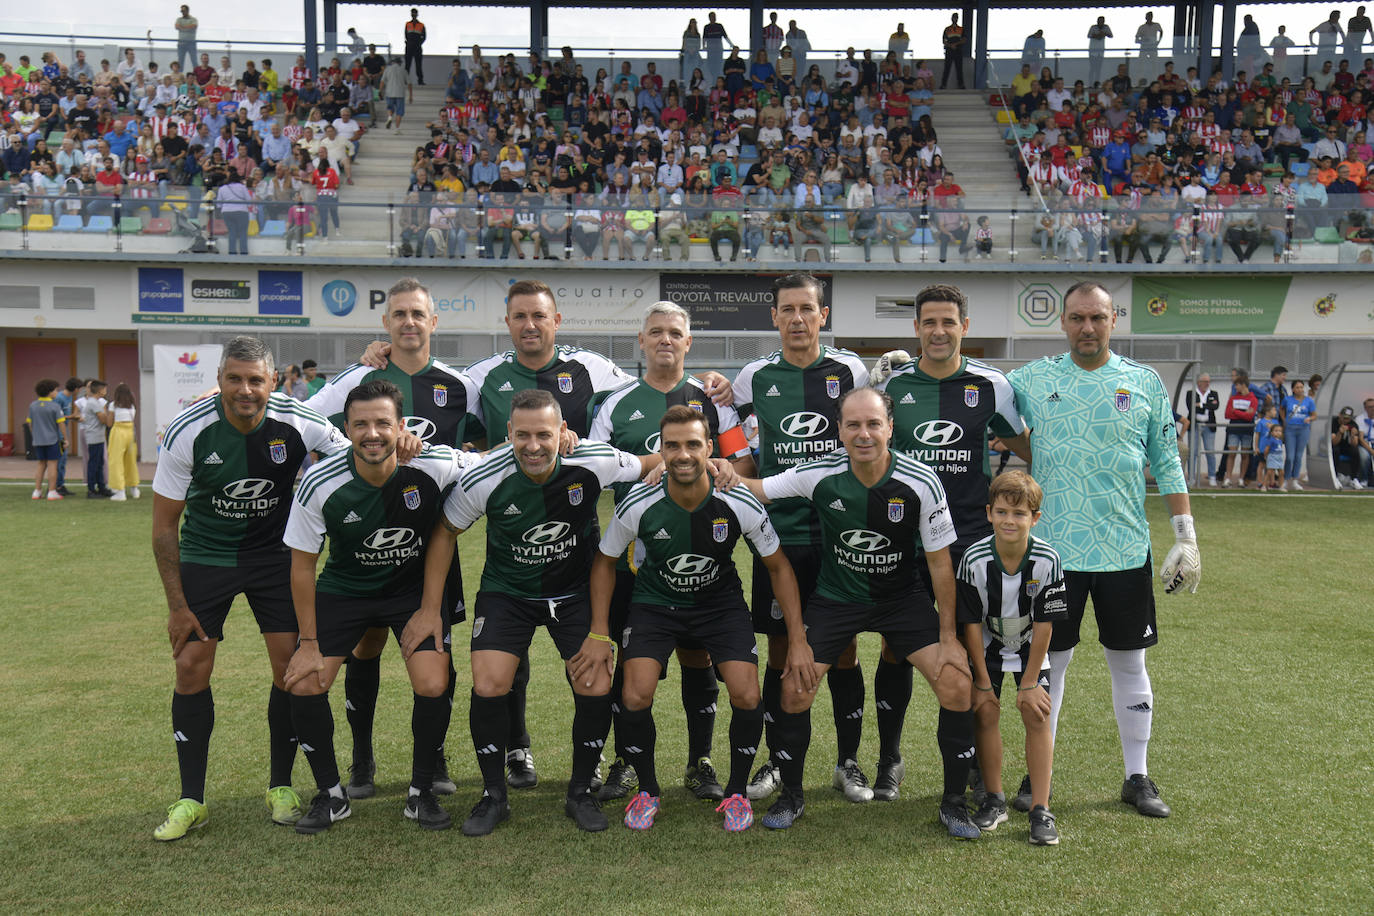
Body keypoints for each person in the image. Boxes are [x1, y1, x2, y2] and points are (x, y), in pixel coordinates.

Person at [419, 389, 657, 836]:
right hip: (507, 592)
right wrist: (431, 609)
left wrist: (681, 462)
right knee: (490, 682)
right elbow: (445, 532)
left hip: (575, 593)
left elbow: (648, 462)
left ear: (563, 433)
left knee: (595, 681)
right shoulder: (484, 478)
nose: (533, 445)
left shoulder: (593, 461)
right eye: (523, 435)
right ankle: (494, 796)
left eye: (544, 434)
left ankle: (580, 791)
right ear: (508, 433)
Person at [738, 387, 975, 836]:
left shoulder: (921, 480)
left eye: (872, 424)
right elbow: (759, 489)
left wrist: (948, 637)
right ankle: (792, 796)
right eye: (853, 425)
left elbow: (942, 563)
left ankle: (954, 803)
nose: (863, 434)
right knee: (794, 689)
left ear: (889, 427)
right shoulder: (820, 474)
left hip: (902, 601)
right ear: (840, 431)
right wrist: (715, 470)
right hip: (836, 599)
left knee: (956, 686)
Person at [1008, 281, 1199, 820]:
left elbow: (1166, 460)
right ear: (1063, 323)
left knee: (1129, 663)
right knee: (1049, 664)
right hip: (1053, 556)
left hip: (1123, 549)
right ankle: (1036, 773)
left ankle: (1137, 776)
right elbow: (979, 401)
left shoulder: (1142, 382)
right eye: (1076, 318)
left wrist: (1185, 535)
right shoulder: (1032, 378)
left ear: (1114, 318)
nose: (1086, 327)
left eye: (1096, 317)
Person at [148, 337, 349, 840]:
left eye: (255, 379)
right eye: (234, 379)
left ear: (272, 381)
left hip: (274, 560)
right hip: (205, 558)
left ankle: (280, 786)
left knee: (290, 670)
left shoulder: (298, 421)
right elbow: (163, 527)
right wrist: (176, 606)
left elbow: (356, 462)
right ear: (218, 380)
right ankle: (191, 798)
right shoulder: (187, 431)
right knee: (191, 666)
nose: (245, 389)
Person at [304, 278, 481, 800]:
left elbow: (486, 439)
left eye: (417, 314)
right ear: (385, 324)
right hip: (363, 538)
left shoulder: (460, 383)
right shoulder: (358, 377)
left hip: (432, 543)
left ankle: (436, 757)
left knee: (435, 651)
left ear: (433, 322)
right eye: (398, 314)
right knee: (366, 646)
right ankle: (362, 759)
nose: (408, 323)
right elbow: (307, 421)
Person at [582, 405, 794, 831]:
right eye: (672, 445)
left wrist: (799, 638)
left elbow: (779, 567)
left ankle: (735, 793)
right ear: (660, 450)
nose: (682, 454)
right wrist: (599, 632)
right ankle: (648, 790)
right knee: (635, 694)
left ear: (709, 448)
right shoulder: (640, 502)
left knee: (748, 695)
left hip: (720, 606)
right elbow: (604, 562)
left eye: (693, 444)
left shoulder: (736, 498)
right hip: (656, 604)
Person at [281, 379, 477, 833]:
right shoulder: (319, 481)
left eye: (383, 423)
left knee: (433, 682)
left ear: (401, 426)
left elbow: (500, 462)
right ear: (345, 429)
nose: (373, 433)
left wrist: (565, 440)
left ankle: (420, 791)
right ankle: (331, 795)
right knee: (306, 681)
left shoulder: (437, 463)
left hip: (410, 592)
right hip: (346, 588)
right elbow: (302, 567)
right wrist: (308, 641)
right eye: (361, 424)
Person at [587, 302, 755, 803]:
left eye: (674, 333)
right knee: (632, 667)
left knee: (697, 654)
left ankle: (700, 760)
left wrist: (719, 466)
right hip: (633, 559)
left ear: (688, 342)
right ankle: (625, 760)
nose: (665, 339)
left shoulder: (713, 401)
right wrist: (648, 465)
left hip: (699, 555)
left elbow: (743, 468)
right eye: (655, 332)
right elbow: (594, 468)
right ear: (641, 342)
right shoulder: (617, 403)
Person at [873, 285, 1031, 803]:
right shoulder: (894, 385)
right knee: (896, 649)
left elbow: (1029, 444)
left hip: (971, 543)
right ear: (916, 327)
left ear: (965, 325)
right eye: (928, 322)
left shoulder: (990, 385)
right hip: (905, 541)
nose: (938, 331)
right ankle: (889, 758)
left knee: (974, 650)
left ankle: (967, 763)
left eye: (948, 321)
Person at [731, 274, 873, 806]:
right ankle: (776, 759)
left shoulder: (849, 370)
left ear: (823, 315)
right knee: (781, 652)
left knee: (842, 651)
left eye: (806, 309)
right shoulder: (752, 377)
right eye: (787, 309)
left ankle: (847, 762)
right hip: (779, 535)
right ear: (774, 317)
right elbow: (734, 432)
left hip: (841, 533)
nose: (796, 318)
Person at [959, 471, 1067, 845]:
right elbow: (971, 624)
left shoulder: (1048, 559)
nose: (1009, 520)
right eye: (1002, 512)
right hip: (986, 644)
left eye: (1020, 514)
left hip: (1028, 646)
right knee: (985, 710)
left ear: (1035, 518)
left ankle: (1041, 808)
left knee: (1035, 712)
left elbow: (1045, 625)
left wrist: (1029, 681)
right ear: (989, 513)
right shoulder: (973, 559)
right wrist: (983, 683)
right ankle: (995, 799)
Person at [25, 379, 66, 501]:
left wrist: (35, 435)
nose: (57, 392)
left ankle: (37, 491)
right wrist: (65, 438)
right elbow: (61, 424)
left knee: (41, 464)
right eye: (55, 390)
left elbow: (30, 423)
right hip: (52, 440)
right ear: (50, 392)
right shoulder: (55, 406)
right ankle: (52, 491)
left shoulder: (32, 405)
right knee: (53, 464)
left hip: (38, 441)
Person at [74, 379, 114, 498]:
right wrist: (110, 415)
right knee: (94, 463)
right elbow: (104, 420)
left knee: (99, 462)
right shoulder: (93, 403)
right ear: (100, 390)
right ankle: (91, 490)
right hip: (94, 437)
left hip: (98, 436)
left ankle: (101, 487)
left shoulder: (95, 402)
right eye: (104, 389)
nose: (105, 391)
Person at [106, 383, 141, 501]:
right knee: (131, 461)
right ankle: (134, 489)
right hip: (131, 432)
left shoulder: (113, 405)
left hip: (118, 432)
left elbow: (109, 423)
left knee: (116, 461)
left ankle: (119, 491)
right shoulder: (132, 406)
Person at [1185, 373, 1220, 485]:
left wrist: (1200, 405)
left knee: (1210, 451)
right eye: (1205, 381)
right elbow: (1191, 407)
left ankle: (1212, 476)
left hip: (1209, 426)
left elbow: (1215, 407)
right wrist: (1206, 405)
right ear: (1199, 382)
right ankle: (1191, 477)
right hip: (1195, 425)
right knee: (1193, 452)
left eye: (1208, 381)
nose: (1207, 383)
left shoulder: (1214, 393)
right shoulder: (1191, 393)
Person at [1281, 379, 1316, 491]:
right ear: (1293, 389)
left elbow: (1314, 415)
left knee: (1298, 456)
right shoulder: (1287, 399)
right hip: (1290, 429)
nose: (1300, 389)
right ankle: (1286, 479)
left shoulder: (1309, 401)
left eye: (1301, 387)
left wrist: (1309, 418)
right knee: (1290, 456)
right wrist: (1284, 420)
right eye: (1297, 387)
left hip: (1303, 429)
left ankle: (1295, 480)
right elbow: (1281, 409)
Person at [381, 56, 410, 130]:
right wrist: (411, 95)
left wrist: (380, 91)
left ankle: (390, 117)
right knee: (399, 112)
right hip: (400, 94)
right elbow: (409, 83)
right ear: (400, 62)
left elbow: (382, 81)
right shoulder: (403, 70)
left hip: (389, 93)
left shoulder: (387, 69)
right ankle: (397, 128)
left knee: (390, 107)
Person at [702, 13, 732, 82]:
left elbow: (725, 36)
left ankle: (717, 81)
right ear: (709, 18)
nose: (713, 18)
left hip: (718, 50)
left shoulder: (719, 26)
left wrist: (731, 45)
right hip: (711, 51)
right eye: (712, 17)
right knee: (711, 67)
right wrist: (704, 46)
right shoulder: (707, 27)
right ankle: (713, 80)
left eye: (714, 17)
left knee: (718, 67)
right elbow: (704, 38)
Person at [1258, 423, 1286, 491]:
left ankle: (1281, 486)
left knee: (1281, 472)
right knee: (1269, 472)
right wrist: (1265, 455)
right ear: (1271, 432)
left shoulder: (1280, 440)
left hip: (1279, 457)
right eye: (1276, 431)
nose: (1278, 432)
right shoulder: (1271, 440)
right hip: (1272, 456)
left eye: (1280, 431)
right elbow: (1267, 449)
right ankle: (1264, 486)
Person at [1087, 16, 1114, 87]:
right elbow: (1089, 35)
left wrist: (1104, 34)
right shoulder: (1093, 27)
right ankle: (1090, 84)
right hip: (1093, 51)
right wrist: (1097, 36)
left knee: (1098, 69)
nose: (1100, 22)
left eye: (1102, 21)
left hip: (1100, 52)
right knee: (1092, 68)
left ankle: (1096, 83)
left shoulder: (1106, 27)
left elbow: (1111, 35)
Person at [941, 14, 966, 90]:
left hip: (958, 50)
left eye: (956, 18)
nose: (955, 19)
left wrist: (955, 44)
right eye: (954, 17)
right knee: (947, 68)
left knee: (959, 68)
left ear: (958, 19)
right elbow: (944, 41)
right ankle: (943, 85)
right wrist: (950, 45)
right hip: (949, 51)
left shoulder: (961, 29)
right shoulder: (947, 29)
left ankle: (961, 85)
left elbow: (964, 40)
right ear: (951, 18)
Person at [175, 5, 198, 73]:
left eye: (183, 11)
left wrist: (182, 28)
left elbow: (193, 26)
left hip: (191, 43)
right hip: (181, 44)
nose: (182, 12)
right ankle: (180, 76)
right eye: (181, 11)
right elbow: (177, 26)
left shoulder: (193, 19)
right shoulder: (179, 19)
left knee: (194, 61)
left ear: (187, 11)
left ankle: (197, 75)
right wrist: (187, 28)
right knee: (180, 61)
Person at [681, 19, 701, 84]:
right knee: (687, 69)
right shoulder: (686, 33)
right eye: (692, 23)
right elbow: (684, 43)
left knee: (695, 68)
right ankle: (687, 82)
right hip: (687, 52)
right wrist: (688, 49)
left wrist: (694, 49)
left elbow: (699, 45)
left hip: (695, 53)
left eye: (695, 23)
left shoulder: (698, 34)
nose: (693, 24)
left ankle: (695, 82)